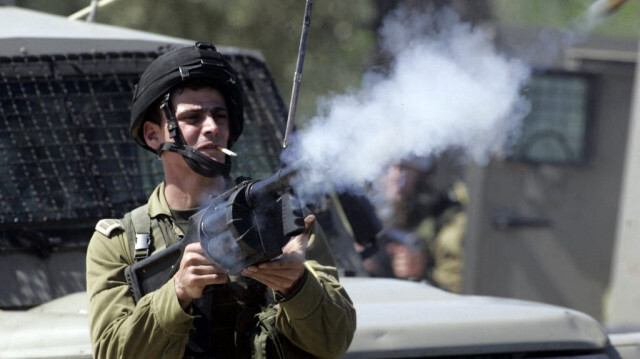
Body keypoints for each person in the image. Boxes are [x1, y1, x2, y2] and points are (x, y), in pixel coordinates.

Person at [86, 42, 356, 359]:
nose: (212, 127)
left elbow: (334, 342)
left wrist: (296, 286)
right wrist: (177, 293)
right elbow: (113, 352)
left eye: (219, 116)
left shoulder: (284, 219)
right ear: (153, 135)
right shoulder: (119, 243)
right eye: (193, 118)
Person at [363, 155, 468, 293]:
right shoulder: (370, 214)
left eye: (403, 168)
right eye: (385, 168)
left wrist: (424, 269)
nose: (395, 177)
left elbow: (467, 287)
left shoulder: (450, 226)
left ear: (423, 173)